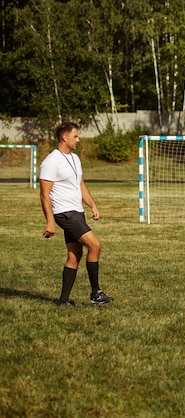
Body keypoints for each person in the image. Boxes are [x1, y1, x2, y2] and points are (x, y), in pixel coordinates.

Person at [40, 122, 113, 306]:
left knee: (75, 254)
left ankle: (63, 301)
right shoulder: (51, 162)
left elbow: (80, 185)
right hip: (64, 213)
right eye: (75, 136)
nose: (78, 139)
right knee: (95, 245)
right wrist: (50, 222)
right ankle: (96, 293)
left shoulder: (75, 158)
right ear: (64, 137)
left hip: (77, 212)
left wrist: (92, 205)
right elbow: (44, 194)